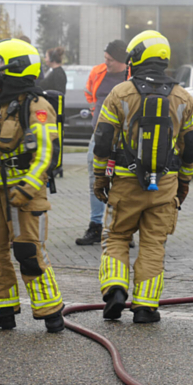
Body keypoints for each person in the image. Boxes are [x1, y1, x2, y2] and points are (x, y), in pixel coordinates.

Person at [93, 30, 193, 323]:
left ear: (137, 57)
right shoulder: (183, 97)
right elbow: (191, 148)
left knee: (116, 236)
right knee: (153, 244)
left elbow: (103, 141)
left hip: (125, 184)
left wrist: (100, 178)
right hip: (165, 186)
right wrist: (184, 182)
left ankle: (115, 290)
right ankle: (145, 308)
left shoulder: (120, 93)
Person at [0, 38, 64, 334]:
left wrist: (27, 188)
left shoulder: (37, 106)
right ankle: (1, 311)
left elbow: (47, 154)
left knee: (28, 253)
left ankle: (51, 311)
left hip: (25, 196)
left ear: (16, 69)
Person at [75, 40, 129, 246]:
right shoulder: (98, 72)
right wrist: (95, 110)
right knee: (95, 178)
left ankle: (122, 228)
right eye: (105, 58)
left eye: (110, 60)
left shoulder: (131, 77)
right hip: (98, 134)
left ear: (123, 61)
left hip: (123, 136)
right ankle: (96, 225)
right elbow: (90, 92)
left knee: (123, 181)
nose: (106, 63)